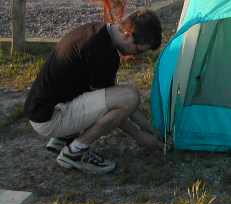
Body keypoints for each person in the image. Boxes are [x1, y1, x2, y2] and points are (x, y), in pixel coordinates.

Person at [24, 9, 164, 174]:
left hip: (43, 108)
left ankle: (64, 138)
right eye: (139, 50)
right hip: (50, 118)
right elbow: (118, 106)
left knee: (126, 95)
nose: (136, 55)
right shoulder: (102, 51)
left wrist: (149, 128)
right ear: (127, 35)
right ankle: (74, 153)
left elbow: (109, 93)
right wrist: (139, 136)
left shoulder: (98, 31)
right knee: (129, 95)